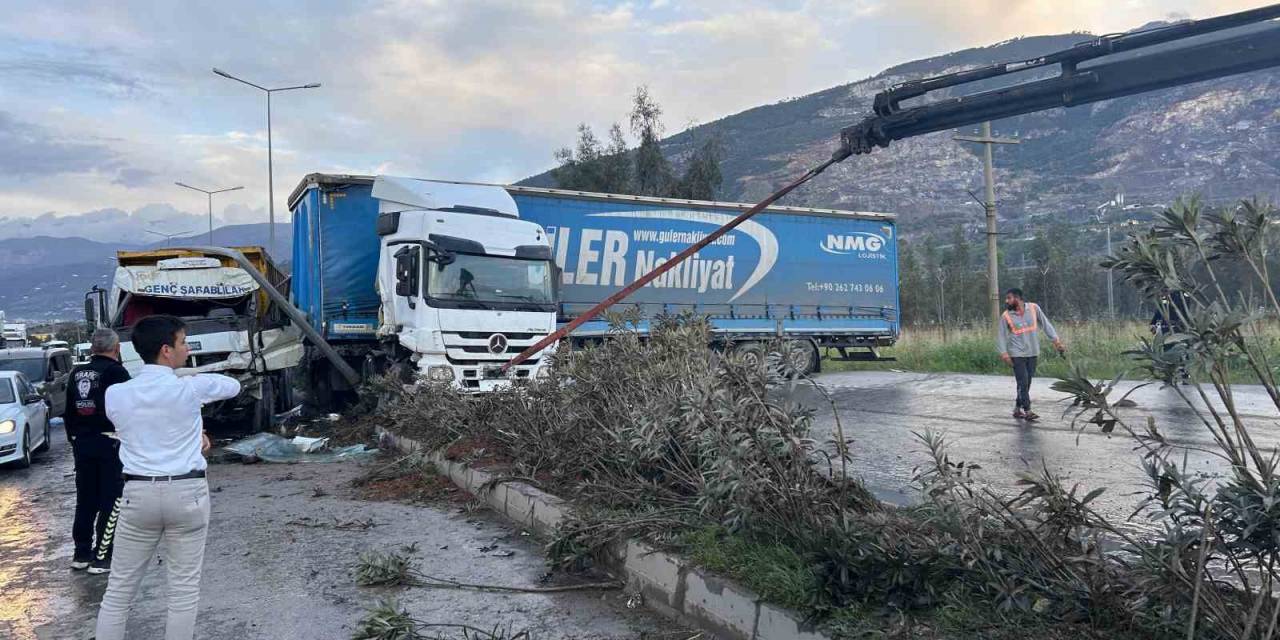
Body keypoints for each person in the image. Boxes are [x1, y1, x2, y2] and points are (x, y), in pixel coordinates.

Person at [94, 315, 240, 640]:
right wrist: (190, 386)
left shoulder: (116, 394)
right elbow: (233, 386)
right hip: (187, 493)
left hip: (138, 494)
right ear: (166, 351)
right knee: (183, 592)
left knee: (118, 593)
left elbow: (138, 427)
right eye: (184, 342)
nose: (188, 348)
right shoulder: (189, 388)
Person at [65, 328, 131, 575]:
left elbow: (69, 410)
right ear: (117, 348)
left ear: (92, 348)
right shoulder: (117, 372)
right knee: (110, 500)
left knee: (85, 500)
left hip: (82, 443)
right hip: (110, 442)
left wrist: (75, 439)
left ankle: (81, 553)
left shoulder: (77, 372)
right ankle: (102, 557)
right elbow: (128, 408)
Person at [996, 288, 1065, 421]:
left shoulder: (1034, 308)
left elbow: (1046, 325)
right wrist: (1004, 353)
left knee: (1027, 382)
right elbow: (1001, 336)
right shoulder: (1006, 316)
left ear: (1018, 298)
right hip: (1016, 353)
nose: (1007, 301)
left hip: (1033, 352)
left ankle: (1017, 408)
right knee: (1023, 381)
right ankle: (1027, 410)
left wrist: (1056, 341)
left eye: (1009, 298)